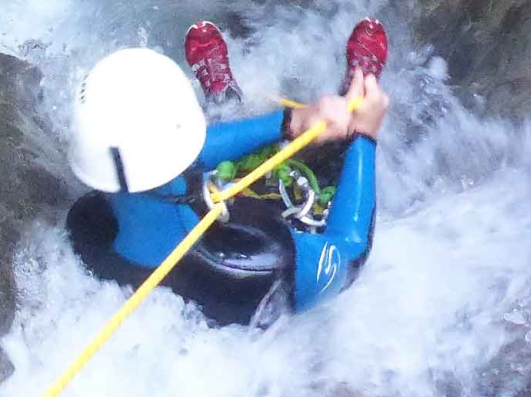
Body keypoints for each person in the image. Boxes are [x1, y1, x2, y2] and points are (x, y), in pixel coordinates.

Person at [66, 19, 390, 325]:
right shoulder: (264, 263)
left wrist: (288, 122)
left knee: (225, 162)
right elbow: (351, 251)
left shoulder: (86, 224)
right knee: (327, 170)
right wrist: (365, 138)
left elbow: (158, 165)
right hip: (247, 248)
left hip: (200, 241)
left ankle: (226, 102)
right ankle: (357, 103)